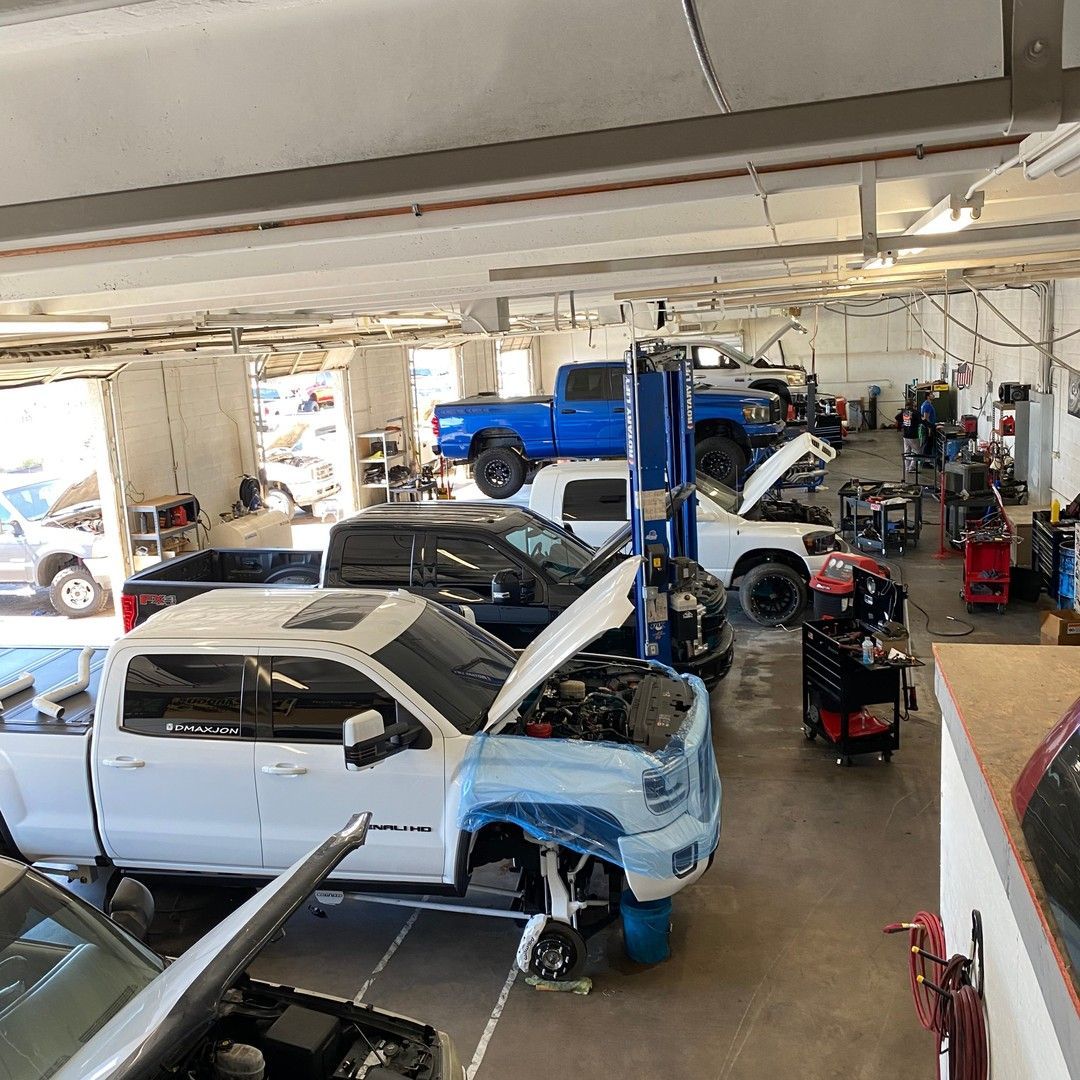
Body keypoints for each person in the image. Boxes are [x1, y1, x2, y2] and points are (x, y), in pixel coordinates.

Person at [896, 398, 921, 475]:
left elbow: (897, 417)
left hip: (905, 435)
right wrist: (933, 426)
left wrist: (902, 423)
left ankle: (907, 467)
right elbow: (922, 421)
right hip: (913, 435)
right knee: (917, 451)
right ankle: (912, 467)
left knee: (907, 452)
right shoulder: (915, 412)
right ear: (913, 405)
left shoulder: (905, 412)